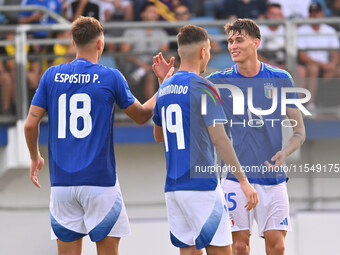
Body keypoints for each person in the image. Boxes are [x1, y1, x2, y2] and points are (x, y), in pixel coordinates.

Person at [24, 16, 170, 255]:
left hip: (62, 184)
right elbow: (142, 116)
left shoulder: (51, 75)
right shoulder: (110, 76)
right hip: (100, 183)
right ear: (100, 44)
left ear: (73, 42)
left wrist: (34, 156)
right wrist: (163, 84)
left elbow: (30, 125)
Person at [152, 24, 258, 255]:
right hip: (201, 186)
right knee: (220, 250)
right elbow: (221, 140)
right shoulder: (204, 87)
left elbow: (158, 136)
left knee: (188, 251)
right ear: (203, 52)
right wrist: (243, 181)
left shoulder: (165, 88)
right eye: (209, 50)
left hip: (173, 188)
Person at [206, 19, 306, 255]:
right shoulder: (218, 81)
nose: (233, 46)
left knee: (278, 247)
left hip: (273, 179)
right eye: (230, 41)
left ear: (256, 42)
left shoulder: (281, 78)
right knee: (239, 246)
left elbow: (299, 131)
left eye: (239, 40)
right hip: (235, 178)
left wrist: (286, 151)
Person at [297, 2, 340, 112]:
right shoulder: (302, 30)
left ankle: (333, 103)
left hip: (326, 65)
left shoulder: (329, 30)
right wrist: (324, 65)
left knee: (337, 70)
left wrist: (332, 65)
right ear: (309, 15)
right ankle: (311, 103)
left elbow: (335, 52)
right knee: (313, 69)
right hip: (310, 64)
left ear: (322, 14)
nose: (315, 15)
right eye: (312, 13)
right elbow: (302, 56)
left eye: (317, 13)